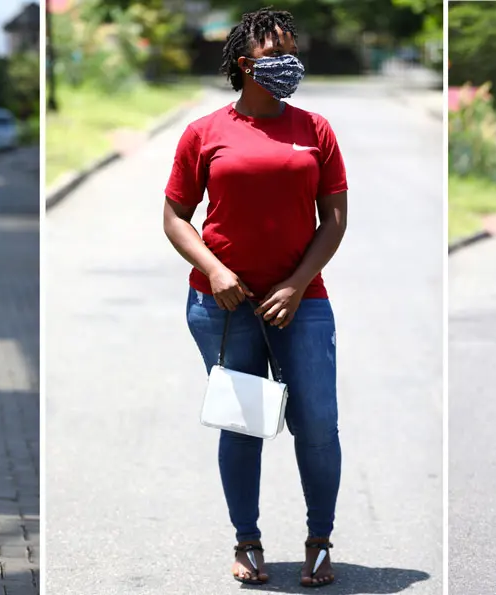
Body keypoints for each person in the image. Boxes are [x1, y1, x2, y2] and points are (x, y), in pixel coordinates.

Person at [162, 7, 349, 589]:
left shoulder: (316, 130)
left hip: (302, 302)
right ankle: (247, 540)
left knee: (317, 425)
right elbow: (175, 216)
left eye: (293, 50)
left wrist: (296, 284)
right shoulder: (204, 133)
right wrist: (214, 270)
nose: (289, 61)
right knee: (243, 425)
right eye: (276, 53)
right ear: (245, 64)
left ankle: (319, 541)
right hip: (223, 306)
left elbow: (334, 218)